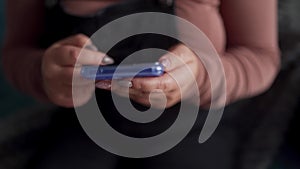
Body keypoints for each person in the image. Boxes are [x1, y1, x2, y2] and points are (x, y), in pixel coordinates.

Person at [2, 0, 280, 168]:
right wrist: (43, 73)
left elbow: (261, 56)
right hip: (82, 127)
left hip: (194, 130)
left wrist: (200, 77)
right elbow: (16, 51)